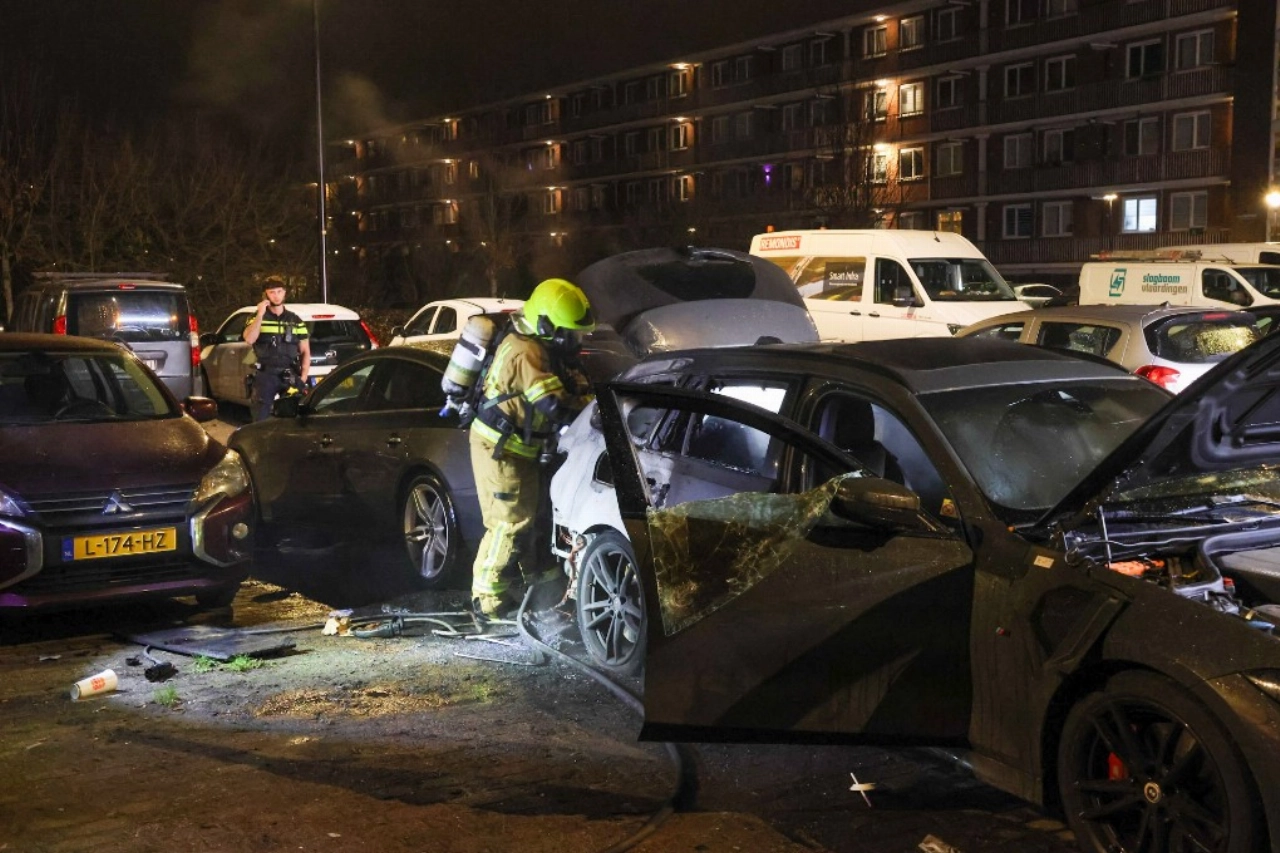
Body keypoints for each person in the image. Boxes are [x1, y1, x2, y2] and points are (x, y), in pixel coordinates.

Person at [468, 278, 595, 619]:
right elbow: (553, 405)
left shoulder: (540, 347)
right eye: (569, 333)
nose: (575, 342)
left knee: (535, 520)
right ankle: (487, 602)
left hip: (518, 448)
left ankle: (544, 592)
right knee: (509, 523)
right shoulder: (526, 352)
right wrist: (595, 414)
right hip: (500, 449)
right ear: (546, 324)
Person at [243, 277, 311, 421]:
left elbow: (305, 351)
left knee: (293, 418)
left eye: (279, 291)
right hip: (266, 375)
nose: (276, 295)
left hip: (290, 374)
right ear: (265, 295)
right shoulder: (256, 318)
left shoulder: (295, 320)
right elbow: (249, 339)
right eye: (272, 292)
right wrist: (260, 314)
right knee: (260, 418)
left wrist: (303, 377)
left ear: (285, 293)